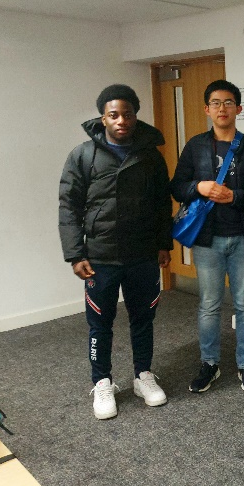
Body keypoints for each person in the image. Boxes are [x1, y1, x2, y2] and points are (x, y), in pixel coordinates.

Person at [59, 84, 172, 420]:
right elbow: (69, 207)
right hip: (100, 258)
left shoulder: (151, 155)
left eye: (128, 113)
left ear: (136, 116)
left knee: (143, 319)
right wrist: (75, 254)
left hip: (142, 256)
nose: (121, 120)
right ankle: (102, 381)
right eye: (114, 114)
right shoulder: (82, 156)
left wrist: (164, 245)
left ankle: (143, 376)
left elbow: (161, 204)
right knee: (100, 324)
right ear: (103, 117)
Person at [170, 80, 244, 394]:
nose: (222, 108)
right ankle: (209, 363)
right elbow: (177, 186)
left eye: (228, 103)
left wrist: (233, 196)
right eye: (215, 103)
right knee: (209, 304)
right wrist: (199, 187)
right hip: (207, 240)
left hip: (243, 237)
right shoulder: (196, 146)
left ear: (238, 108)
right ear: (207, 109)